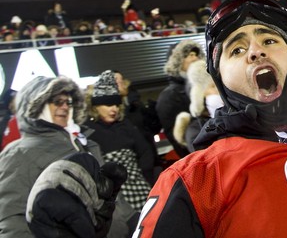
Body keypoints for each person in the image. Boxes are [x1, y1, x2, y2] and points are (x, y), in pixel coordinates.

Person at [132, 0, 287, 237]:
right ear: (220, 79)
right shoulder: (196, 179)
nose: (256, 52)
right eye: (237, 49)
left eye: (269, 40)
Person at [0, 75, 137, 238]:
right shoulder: (19, 153)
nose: (65, 107)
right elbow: (13, 219)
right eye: (57, 101)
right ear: (36, 105)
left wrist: (136, 222)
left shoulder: (85, 143)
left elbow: (113, 197)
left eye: (68, 102)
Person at [84, 70, 155, 212]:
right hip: (112, 196)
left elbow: (145, 152)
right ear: (96, 106)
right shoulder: (87, 132)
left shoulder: (125, 125)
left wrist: (141, 176)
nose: (114, 109)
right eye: (108, 105)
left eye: (116, 105)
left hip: (140, 188)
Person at [155, 39, 205, 157]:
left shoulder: (207, 85)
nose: (195, 58)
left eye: (196, 54)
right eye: (189, 55)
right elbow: (180, 141)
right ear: (177, 62)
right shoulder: (168, 97)